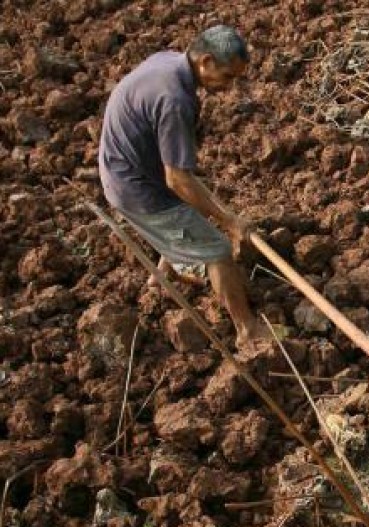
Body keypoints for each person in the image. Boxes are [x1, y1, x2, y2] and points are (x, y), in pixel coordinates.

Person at [98, 25, 271, 350]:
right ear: (205, 61)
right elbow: (176, 179)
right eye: (228, 77)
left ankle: (165, 272)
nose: (230, 87)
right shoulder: (174, 101)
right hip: (136, 188)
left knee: (193, 200)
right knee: (217, 250)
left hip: (124, 166)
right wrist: (230, 221)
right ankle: (248, 329)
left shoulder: (167, 61)